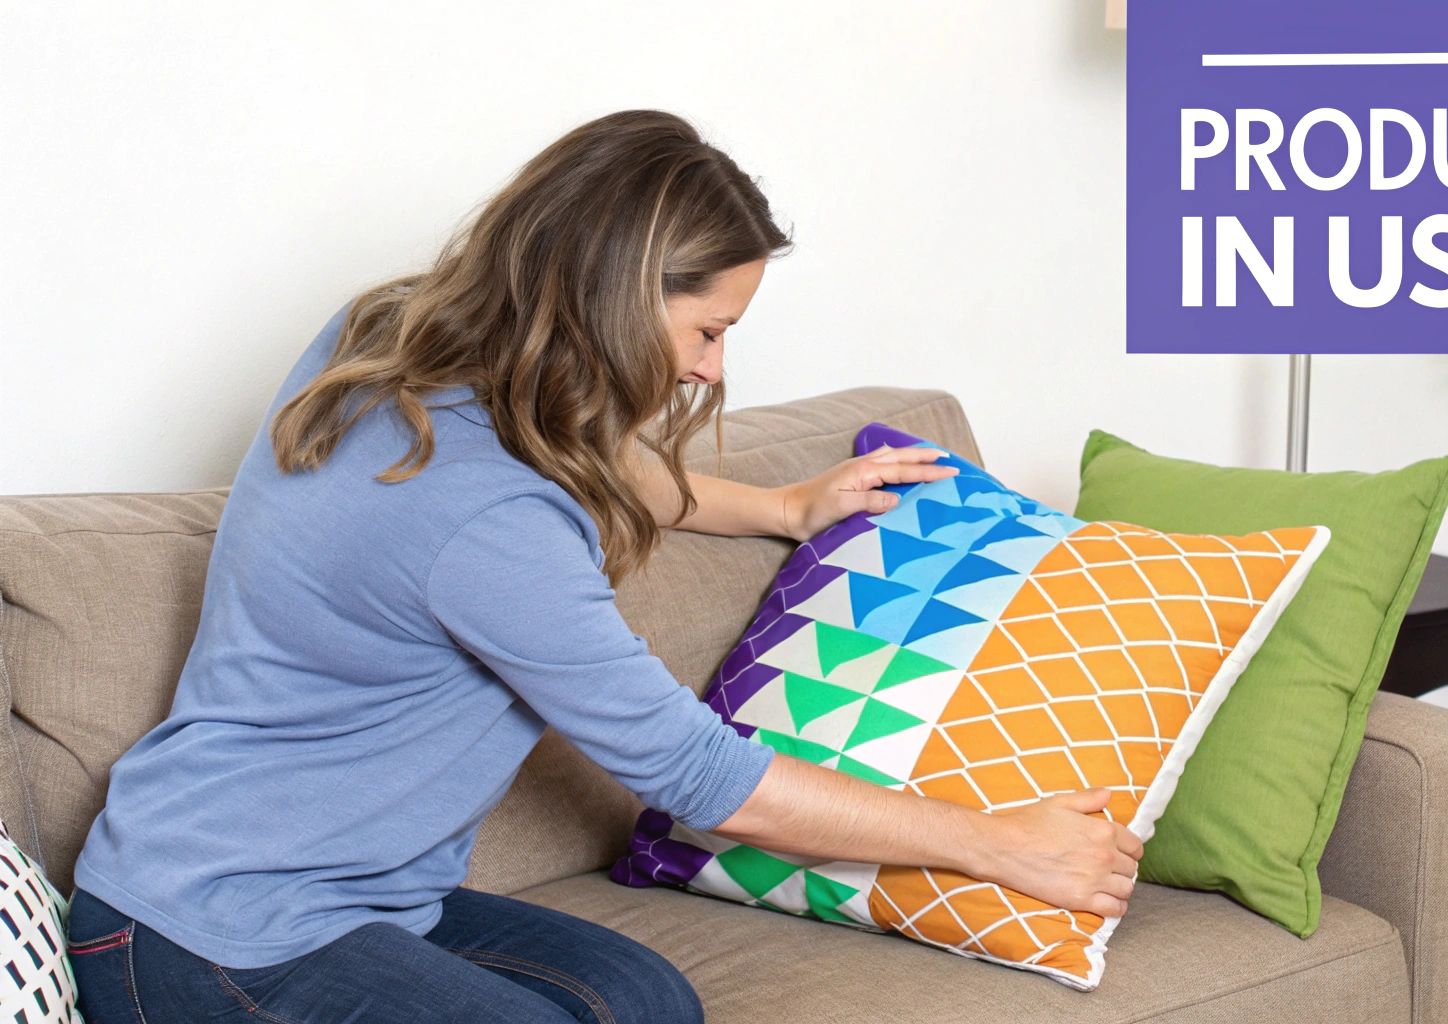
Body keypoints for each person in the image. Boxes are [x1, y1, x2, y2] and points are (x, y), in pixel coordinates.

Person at [64, 110, 1143, 1024]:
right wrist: (1001, 845)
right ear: (616, 290)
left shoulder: (386, 332)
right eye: (706, 329)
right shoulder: (488, 520)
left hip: (364, 895)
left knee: (648, 999)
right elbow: (707, 783)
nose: (713, 368)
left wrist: (778, 506)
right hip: (209, 933)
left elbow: (584, 450)